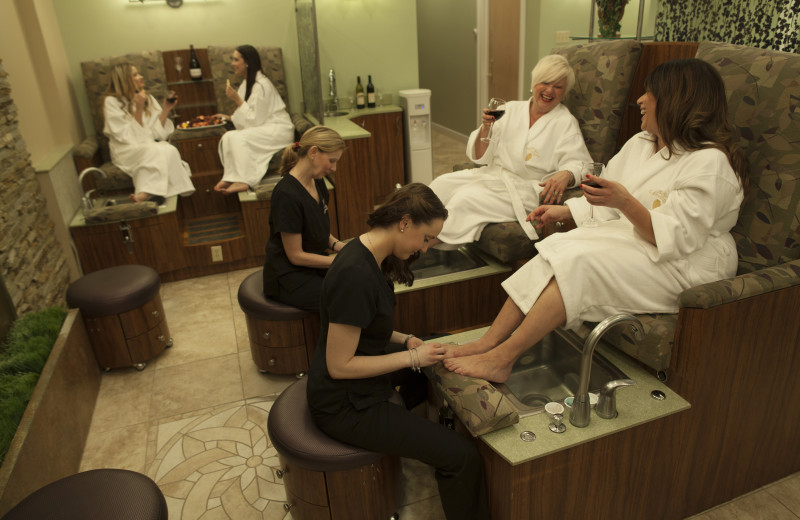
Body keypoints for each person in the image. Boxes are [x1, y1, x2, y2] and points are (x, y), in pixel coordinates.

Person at [443, 58, 749, 383]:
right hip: (639, 239)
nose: (640, 101)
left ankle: (502, 359)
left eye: (650, 94)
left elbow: (673, 236)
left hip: (687, 265)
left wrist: (626, 202)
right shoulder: (641, 144)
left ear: (677, 101)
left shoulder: (709, 163)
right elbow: (608, 199)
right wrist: (565, 211)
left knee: (578, 261)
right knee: (557, 245)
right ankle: (488, 342)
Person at [307, 183, 490, 520]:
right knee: (461, 456)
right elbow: (339, 365)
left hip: (357, 383)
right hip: (344, 404)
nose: (428, 246)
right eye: (427, 238)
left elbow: (366, 325)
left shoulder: (367, 254)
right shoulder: (355, 275)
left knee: (436, 344)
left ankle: (412, 431)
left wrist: (408, 340)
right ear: (405, 222)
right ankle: (424, 439)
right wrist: (412, 358)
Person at [429, 54, 592, 248]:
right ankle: (416, 231)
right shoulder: (510, 109)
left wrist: (566, 173)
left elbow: (583, 164)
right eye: (545, 82)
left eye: (558, 87)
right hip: (494, 175)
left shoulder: (565, 122)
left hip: (527, 190)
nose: (549, 90)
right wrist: (486, 128)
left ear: (564, 92)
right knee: (442, 184)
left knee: (467, 198)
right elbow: (481, 157)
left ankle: (425, 244)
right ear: (534, 83)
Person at [262, 126, 346, 311]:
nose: (334, 168)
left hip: (313, 266)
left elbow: (318, 229)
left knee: (365, 281)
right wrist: (339, 261)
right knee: (346, 299)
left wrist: (339, 246)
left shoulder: (318, 182)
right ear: (314, 152)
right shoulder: (287, 194)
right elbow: (296, 256)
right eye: (332, 161)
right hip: (289, 277)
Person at [103, 63, 195, 203]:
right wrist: (138, 109)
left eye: (139, 73)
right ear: (123, 80)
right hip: (125, 149)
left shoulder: (147, 98)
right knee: (154, 150)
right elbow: (128, 137)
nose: (140, 77)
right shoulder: (111, 102)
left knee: (169, 150)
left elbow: (157, 133)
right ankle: (145, 194)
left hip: (148, 144)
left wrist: (166, 109)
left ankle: (150, 194)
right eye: (134, 75)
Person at [214, 45, 294, 194]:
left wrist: (236, 99)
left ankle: (245, 180)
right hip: (263, 127)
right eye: (232, 59)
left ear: (247, 62)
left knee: (239, 138)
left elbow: (254, 120)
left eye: (236, 59)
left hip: (277, 129)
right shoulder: (247, 83)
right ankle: (231, 176)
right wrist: (230, 118)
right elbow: (249, 113)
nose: (232, 63)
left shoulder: (262, 85)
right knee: (228, 136)